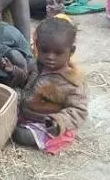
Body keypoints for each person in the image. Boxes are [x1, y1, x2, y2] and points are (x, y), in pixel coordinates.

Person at [10, 17, 87, 154]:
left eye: (58, 53)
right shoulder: (36, 65)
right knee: (5, 99)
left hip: (46, 124)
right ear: (37, 45)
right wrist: (15, 73)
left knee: (19, 135)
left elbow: (79, 111)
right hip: (26, 111)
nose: (50, 57)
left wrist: (59, 122)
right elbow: (26, 84)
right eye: (44, 51)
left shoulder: (71, 82)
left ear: (71, 51)